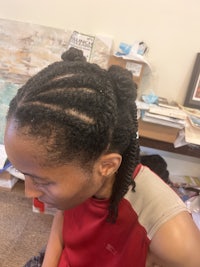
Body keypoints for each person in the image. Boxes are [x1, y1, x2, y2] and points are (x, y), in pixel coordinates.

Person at [4, 47, 200, 267]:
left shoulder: (175, 240)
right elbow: (64, 223)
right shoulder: (76, 180)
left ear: (107, 166)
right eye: (24, 174)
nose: (29, 192)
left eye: (42, 181)